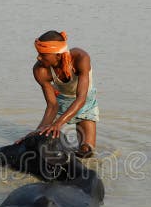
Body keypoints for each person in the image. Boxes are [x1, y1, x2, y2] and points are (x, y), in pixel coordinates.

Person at [23, 30, 99, 158]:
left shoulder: (81, 58)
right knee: (42, 138)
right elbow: (52, 105)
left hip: (84, 101)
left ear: (58, 55)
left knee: (86, 151)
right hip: (61, 100)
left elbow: (81, 99)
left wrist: (58, 124)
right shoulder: (40, 70)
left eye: (43, 54)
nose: (38, 58)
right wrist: (37, 132)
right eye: (38, 53)